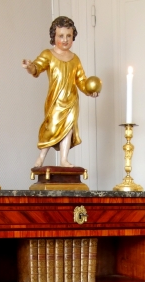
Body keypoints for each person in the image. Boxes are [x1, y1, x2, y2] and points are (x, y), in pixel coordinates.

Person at [22, 16, 98, 168]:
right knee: (51, 127)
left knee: (68, 129)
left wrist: (90, 91)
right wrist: (30, 67)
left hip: (71, 101)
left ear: (73, 37)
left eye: (68, 36)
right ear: (54, 36)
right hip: (55, 101)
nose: (65, 40)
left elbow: (81, 80)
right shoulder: (48, 55)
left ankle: (64, 159)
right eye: (61, 36)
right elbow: (37, 67)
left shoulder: (75, 59)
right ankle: (41, 157)